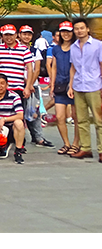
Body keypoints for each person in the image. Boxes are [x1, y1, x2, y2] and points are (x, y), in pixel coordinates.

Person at [0, 24, 51, 147]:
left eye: (11, 34)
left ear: (16, 35)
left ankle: (20, 142)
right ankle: (6, 140)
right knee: (3, 114)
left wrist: (27, 87)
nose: (8, 37)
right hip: (2, 88)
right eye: (6, 35)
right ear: (2, 36)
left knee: (19, 116)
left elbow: (30, 68)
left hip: (18, 87)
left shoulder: (24, 49)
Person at [68, 17, 102, 161]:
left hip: (94, 85)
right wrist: (70, 86)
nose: (79, 31)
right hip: (78, 86)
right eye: (76, 29)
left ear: (87, 29)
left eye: (82, 28)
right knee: (81, 119)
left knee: (99, 120)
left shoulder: (98, 45)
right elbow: (73, 67)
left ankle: (101, 150)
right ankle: (85, 148)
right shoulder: (73, 47)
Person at [47, 21, 80, 155]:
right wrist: (52, 85)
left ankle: (76, 144)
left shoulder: (77, 47)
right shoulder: (56, 49)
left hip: (76, 85)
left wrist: (71, 85)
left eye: (68, 31)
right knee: (60, 117)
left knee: (77, 117)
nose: (66, 34)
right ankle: (66, 143)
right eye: (63, 32)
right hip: (60, 85)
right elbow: (54, 67)